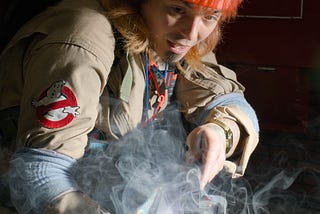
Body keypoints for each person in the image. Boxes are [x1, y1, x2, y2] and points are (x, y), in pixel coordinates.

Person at [0, 0, 259, 213]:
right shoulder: (82, 37)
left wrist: (219, 131)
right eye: (177, 9)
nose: (192, 33)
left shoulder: (177, 36)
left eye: (211, 16)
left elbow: (230, 102)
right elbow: (39, 173)